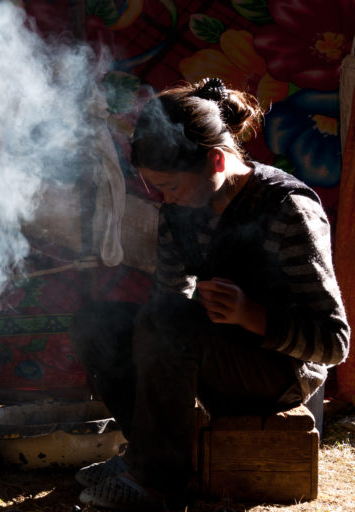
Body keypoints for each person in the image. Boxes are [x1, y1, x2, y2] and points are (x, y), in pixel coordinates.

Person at [69, 78, 350, 511]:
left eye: (174, 188)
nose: (169, 200)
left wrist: (253, 316)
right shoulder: (178, 209)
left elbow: (333, 344)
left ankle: (157, 480)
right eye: (160, 189)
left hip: (280, 375)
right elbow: (165, 303)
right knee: (98, 325)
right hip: (214, 358)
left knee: (167, 324)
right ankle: (147, 453)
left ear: (216, 160)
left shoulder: (289, 211)